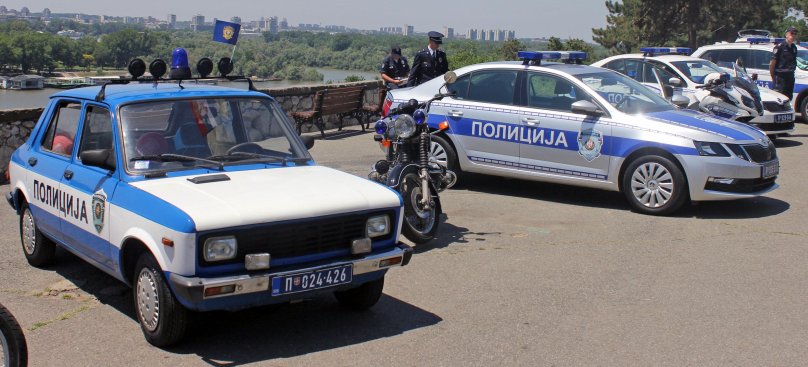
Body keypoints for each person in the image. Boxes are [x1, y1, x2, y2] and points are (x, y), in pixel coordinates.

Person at [770, 26, 798, 100]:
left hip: (790, 76)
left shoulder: (794, 48)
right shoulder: (779, 47)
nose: (794, 36)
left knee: (788, 97)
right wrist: (773, 77)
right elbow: (772, 64)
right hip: (780, 76)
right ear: (786, 34)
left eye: (795, 34)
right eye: (792, 33)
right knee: (779, 97)